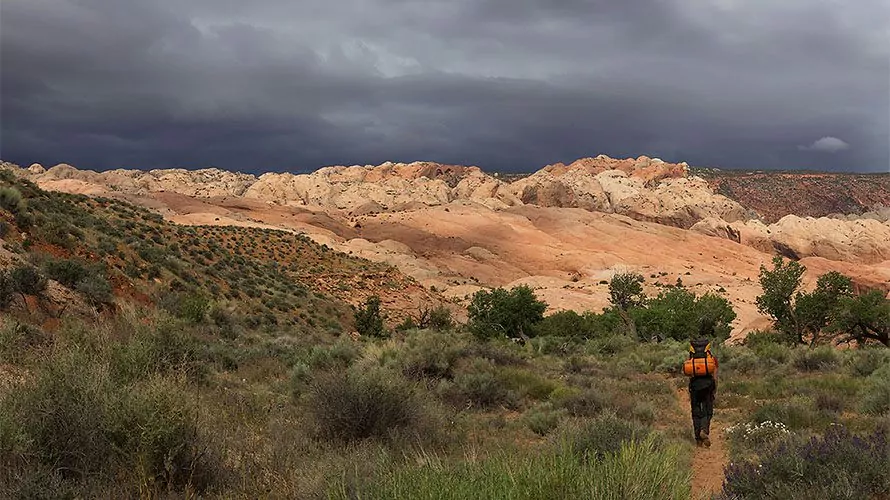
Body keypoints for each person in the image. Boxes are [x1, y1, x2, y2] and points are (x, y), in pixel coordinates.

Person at [688, 322, 718, 447]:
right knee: (707, 410)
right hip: (708, 384)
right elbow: (715, 373)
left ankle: (698, 440)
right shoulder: (711, 358)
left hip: (695, 385)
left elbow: (688, 372)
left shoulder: (692, 357)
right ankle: (704, 430)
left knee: (696, 412)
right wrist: (715, 387)